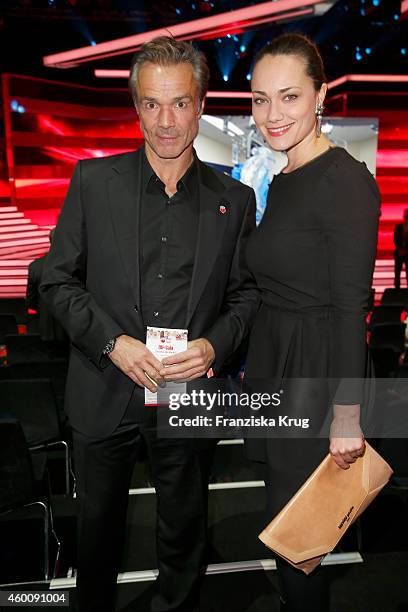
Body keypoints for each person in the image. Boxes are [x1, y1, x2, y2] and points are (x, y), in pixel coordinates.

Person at [40, 37, 258, 612]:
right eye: (153, 104)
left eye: (181, 103)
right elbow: (55, 281)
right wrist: (112, 343)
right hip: (103, 388)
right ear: (136, 107)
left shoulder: (233, 200)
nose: (167, 121)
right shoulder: (92, 182)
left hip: (188, 395)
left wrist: (214, 346)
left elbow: (246, 296)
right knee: (98, 538)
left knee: (184, 536)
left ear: (202, 103)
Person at [244, 34, 380, 611]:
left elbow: (353, 306)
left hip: (316, 376)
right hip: (280, 363)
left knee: (300, 536)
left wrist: (346, 417)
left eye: (289, 97)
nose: (273, 115)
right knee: (288, 529)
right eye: (259, 99)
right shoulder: (286, 174)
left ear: (321, 95)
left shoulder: (344, 182)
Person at [26, 229, 67, 342]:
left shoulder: (35, 266)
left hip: (44, 327)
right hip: (68, 330)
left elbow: (30, 301)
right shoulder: (74, 264)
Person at [393, 209, 408, 288]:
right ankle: (397, 290)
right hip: (399, 253)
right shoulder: (398, 227)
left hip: (407, 254)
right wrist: (400, 249)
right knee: (397, 273)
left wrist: (406, 251)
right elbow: (395, 239)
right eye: (406, 215)